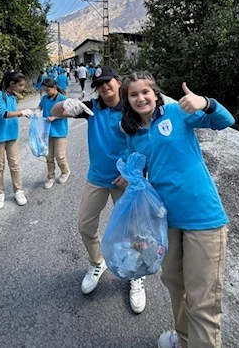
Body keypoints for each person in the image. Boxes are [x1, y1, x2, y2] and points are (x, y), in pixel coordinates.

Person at [120, 73, 234, 348]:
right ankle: (184, 339)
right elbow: (141, 169)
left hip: (202, 216)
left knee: (203, 300)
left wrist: (205, 102)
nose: (140, 98)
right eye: (133, 94)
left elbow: (225, 121)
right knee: (173, 281)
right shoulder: (133, 132)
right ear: (127, 100)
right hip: (166, 219)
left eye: (145, 92)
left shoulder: (177, 113)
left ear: (155, 93)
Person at [50, 66, 147, 314]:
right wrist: (66, 106)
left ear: (118, 82)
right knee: (85, 225)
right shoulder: (92, 108)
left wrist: (132, 172)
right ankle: (97, 262)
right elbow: (54, 112)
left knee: (133, 229)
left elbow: (147, 143)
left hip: (124, 180)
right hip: (96, 178)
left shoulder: (131, 107)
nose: (105, 87)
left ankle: (136, 275)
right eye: (100, 83)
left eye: (109, 82)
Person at [0, 71, 33, 210]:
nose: (22, 88)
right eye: (20, 85)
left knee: (14, 164)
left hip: (11, 135)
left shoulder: (13, 96)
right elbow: (4, 114)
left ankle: (18, 191)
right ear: (11, 84)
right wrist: (22, 112)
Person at [38, 77, 71, 189]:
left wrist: (55, 117)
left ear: (55, 87)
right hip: (47, 131)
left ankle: (65, 171)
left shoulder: (62, 98)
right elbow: (40, 106)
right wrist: (36, 112)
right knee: (49, 156)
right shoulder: (45, 98)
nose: (46, 93)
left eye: (48, 90)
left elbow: (67, 112)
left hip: (60, 131)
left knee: (60, 156)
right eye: (45, 91)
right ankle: (50, 177)